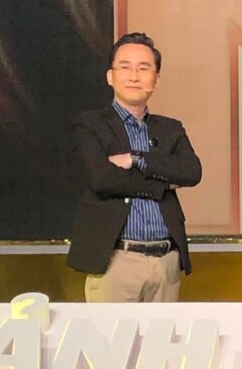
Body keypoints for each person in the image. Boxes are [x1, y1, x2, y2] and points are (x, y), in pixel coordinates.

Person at [67, 32, 202, 302]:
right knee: (110, 332)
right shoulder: (90, 124)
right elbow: (102, 179)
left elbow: (191, 172)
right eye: (125, 67)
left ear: (156, 79)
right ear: (110, 76)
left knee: (164, 332)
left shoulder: (170, 128)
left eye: (143, 68)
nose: (134, 76)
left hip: (166, 261)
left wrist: (136, 159)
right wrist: (161, 185)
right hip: (115, 262)